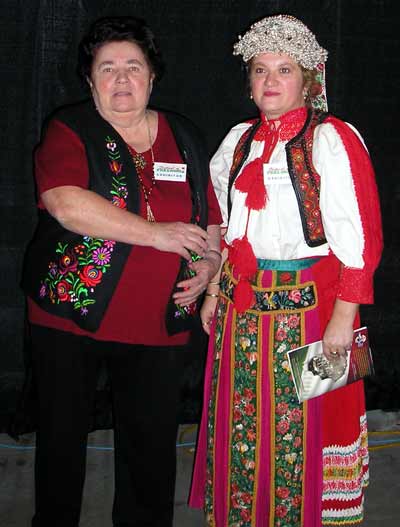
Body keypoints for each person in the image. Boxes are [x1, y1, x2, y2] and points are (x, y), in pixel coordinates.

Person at [22, 15, 222, 527]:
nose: (122, 79)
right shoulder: (70, 128)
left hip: (157, 323)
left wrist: (208, 270)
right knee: (62, 446)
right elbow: (67, 205)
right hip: (70, 318)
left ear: (153, 76)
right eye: (107, 68)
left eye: (133, 66)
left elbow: (213, 221)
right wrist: (159, 234)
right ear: (89, 81)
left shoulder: (185, 135)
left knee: (151, 455)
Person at [189, 14, 383, 527]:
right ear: (249, 81)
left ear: (307, 80)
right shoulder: (236, 142)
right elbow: (226, 226)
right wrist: (213, 290)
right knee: (242, 423)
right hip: (241, 309)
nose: (270, 82)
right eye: (259, 70)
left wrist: (347, 313)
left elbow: (360, 234)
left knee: (312, 424)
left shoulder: (332, 139)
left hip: (313, 309)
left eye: (284, 70)